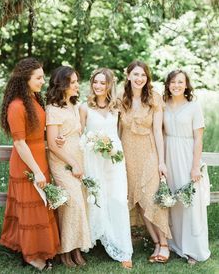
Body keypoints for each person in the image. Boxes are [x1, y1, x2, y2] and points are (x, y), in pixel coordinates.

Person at [0, 57, 60, 271]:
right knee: (30, 212)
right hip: (27, 165)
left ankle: (41, 250)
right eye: (39, 77)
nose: (43, 81)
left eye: (43, 77)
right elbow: (19, 143)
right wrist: (36, 171)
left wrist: (53, 140)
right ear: (26, 79)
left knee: (41, 208)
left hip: (39, 160)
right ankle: (31, 255)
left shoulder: (33, 100)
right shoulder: (16, 106)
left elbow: (37, 131)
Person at [79, 68, 133, 269]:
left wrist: (112, 148)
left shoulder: (116, 107)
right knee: (96, 197)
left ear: (110, 85)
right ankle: (93, 240)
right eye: (96, 82)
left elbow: (118, 133)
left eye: (103, 83)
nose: (99, 86)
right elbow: (79, 134)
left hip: (114, 159)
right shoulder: (84, 107)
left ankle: (123, 248)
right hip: (93, 158)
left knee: (118, 198)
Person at [118, 60, 171, 263]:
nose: (140, 78)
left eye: (143, 75)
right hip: (127, 156)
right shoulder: (121, 99)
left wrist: (161, 161)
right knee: (139, 202)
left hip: (149, 154)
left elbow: (158, 132)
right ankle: (157, 243)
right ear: (129, 76)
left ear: (147, 78)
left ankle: (164, 244)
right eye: (136, 74)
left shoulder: (154, 99)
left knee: (151, 199)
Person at [163, 69, 211, 264]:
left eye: (180, 82)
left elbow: (198, 139)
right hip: (168, 156)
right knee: (173, 200)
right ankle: (175, 244)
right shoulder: (163, 105)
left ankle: (194, 249)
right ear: (168, 84)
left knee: (190, 202)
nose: (176, 85)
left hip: (187, 155)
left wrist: (194, 167)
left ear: (186, 85)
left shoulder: (194, 106)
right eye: (173, 82)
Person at [46, 66, 91, 268]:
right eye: (72, 82)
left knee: (80, 204)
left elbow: (77, 132)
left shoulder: (74, 105)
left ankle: (76, 249)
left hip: (77, 157)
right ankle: (65, 251)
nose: (76, 85)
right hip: (62, 161)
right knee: (72, 205)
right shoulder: (52, 109)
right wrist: (72, 163)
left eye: (76, 81)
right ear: (62, 84)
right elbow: (53, 144)